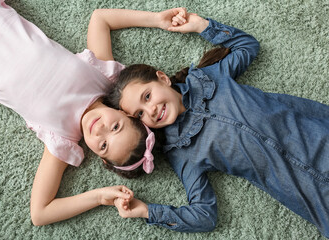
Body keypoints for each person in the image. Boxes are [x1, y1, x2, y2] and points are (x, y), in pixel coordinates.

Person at [106, 12, 329, 238]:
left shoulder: (209, 77)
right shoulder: (181, 154)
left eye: (147, 96)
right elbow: (205, 215)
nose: (151, 109)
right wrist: (148, 211)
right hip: (316, 198)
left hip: (319, 135)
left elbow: (248, 46)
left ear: (162, 78)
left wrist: (202, 26)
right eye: (140, 113)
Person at [0, 0, 188, 226]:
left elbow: (40, 213)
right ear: (127, 113)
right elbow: (100, 19)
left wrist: (99, 197)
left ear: (101, 158)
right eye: (116, 127)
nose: (100, 130)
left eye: (103, 145)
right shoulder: (103, 78)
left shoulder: (62, 138)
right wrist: (155, 20)